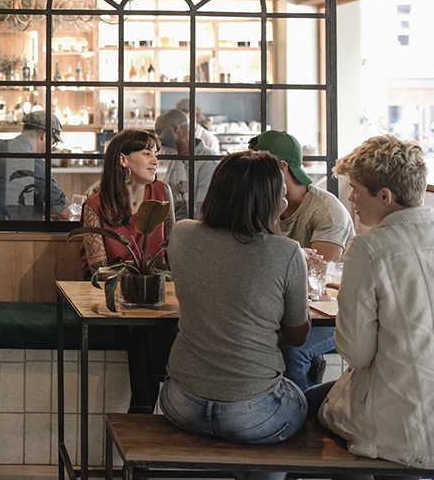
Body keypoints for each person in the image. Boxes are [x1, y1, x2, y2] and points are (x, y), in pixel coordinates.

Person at [161, 150, 310, 464]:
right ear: (269, 201)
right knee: (310, 399)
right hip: (253, 413)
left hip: (178, 402)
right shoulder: (286, 252)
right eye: (281, 196)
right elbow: (297, 337)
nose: (285, 203)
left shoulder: (182, 234)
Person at [306, 135, 434, 469]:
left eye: (356, 189)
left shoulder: (368, 248)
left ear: (385, 196)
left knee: (301, 409)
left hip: (396, 421)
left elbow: (356, 352)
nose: (350, 198)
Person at [250, 130, 354, 390]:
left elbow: (316, 278)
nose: (249, 173)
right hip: (287, 308)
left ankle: (300, 420)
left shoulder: (326, 210)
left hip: (334, 316)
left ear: (281, 167)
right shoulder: (261, 203)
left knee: (292, 348)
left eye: (256, 164)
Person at [80, 129, 175, 413]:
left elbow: (170, 249)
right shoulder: (94, 205)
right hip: (108, 288)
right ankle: (147, 408)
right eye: (147, 153)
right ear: (123, 160)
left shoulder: (162, 193)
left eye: (156, 153)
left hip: (153, 285)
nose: (155, 160)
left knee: (154, 317)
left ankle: (142, 409)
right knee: (140, 322)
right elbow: (99, 269)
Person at [0, 111, 70, 221]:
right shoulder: (34, 163)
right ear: (45, 136)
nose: (51, 148)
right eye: (53, 143)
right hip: (11, 232)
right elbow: (64, 212)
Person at [154, 108, 219, 220]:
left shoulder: (207, 160)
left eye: (159, 132)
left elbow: (202, 213)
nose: (158, 138)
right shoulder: (176, 157)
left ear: (175, 128)